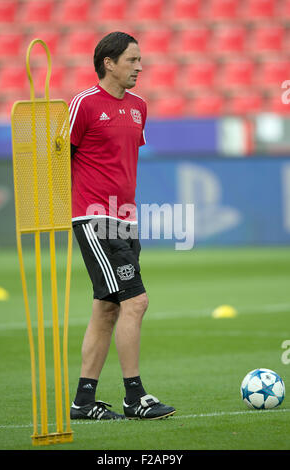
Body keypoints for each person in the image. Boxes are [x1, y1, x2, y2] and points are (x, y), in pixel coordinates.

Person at [69, 31, 176, 420]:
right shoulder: (83, 105)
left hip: (125, 218)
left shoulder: (139, 107)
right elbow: (61, 158)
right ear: (108, 63)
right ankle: (135, 397)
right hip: (95, 218)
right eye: (132, 60)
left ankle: (83, 402)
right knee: (136, 300)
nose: (140, 67)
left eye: (140, 60)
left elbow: (121, 161)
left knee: (106, 309)